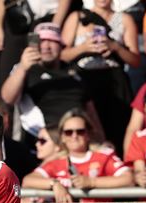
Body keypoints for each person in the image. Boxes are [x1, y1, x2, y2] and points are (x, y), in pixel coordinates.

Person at [0, 22, 104, 142]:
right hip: (44, 141)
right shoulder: (26, 70)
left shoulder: (75, 73)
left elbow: (91, 113)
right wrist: (23, 67)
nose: (46, 46)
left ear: (61, 46)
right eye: (42, 41)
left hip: (79, 139)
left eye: (52, 41)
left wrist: (101, 141)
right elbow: (7, 98)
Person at [59, 0, 140, 151]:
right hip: (84, 79)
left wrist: (115, 47)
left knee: (118, 126)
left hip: (115, 81)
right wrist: (84, 47)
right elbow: (61, 55)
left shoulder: (124, 20)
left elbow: (135, 60)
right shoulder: (77, 17)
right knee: (90, 129)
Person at [0, 0, 71, 85]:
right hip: (18, 21)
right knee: (9, 70)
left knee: (40, 67)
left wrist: (52, 29)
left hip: (47, 22)